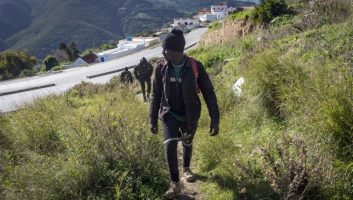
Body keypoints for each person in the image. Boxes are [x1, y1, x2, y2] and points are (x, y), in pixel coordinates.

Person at [149, 29, 220, 199]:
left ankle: (186, 168)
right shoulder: (160, 67)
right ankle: (175, 184)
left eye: (165, 50)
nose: (162, 53)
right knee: (169, 145)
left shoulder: (195, 66)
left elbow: (209, 93)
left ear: (175, 52)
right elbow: (155, 95)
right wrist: (152, 118)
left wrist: (215, 119)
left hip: (190, 114)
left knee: (187, 142)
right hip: (169, 114)